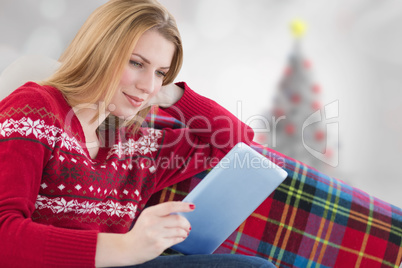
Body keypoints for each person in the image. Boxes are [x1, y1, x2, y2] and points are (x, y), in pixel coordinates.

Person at [0, 0, 276, 267]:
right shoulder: (35, 107)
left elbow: (237, 141)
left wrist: (171, 94)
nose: (148, 85)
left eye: (160, 72)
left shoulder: (136, 144)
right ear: (99, 51)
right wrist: (128, 247)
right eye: (136, 63)